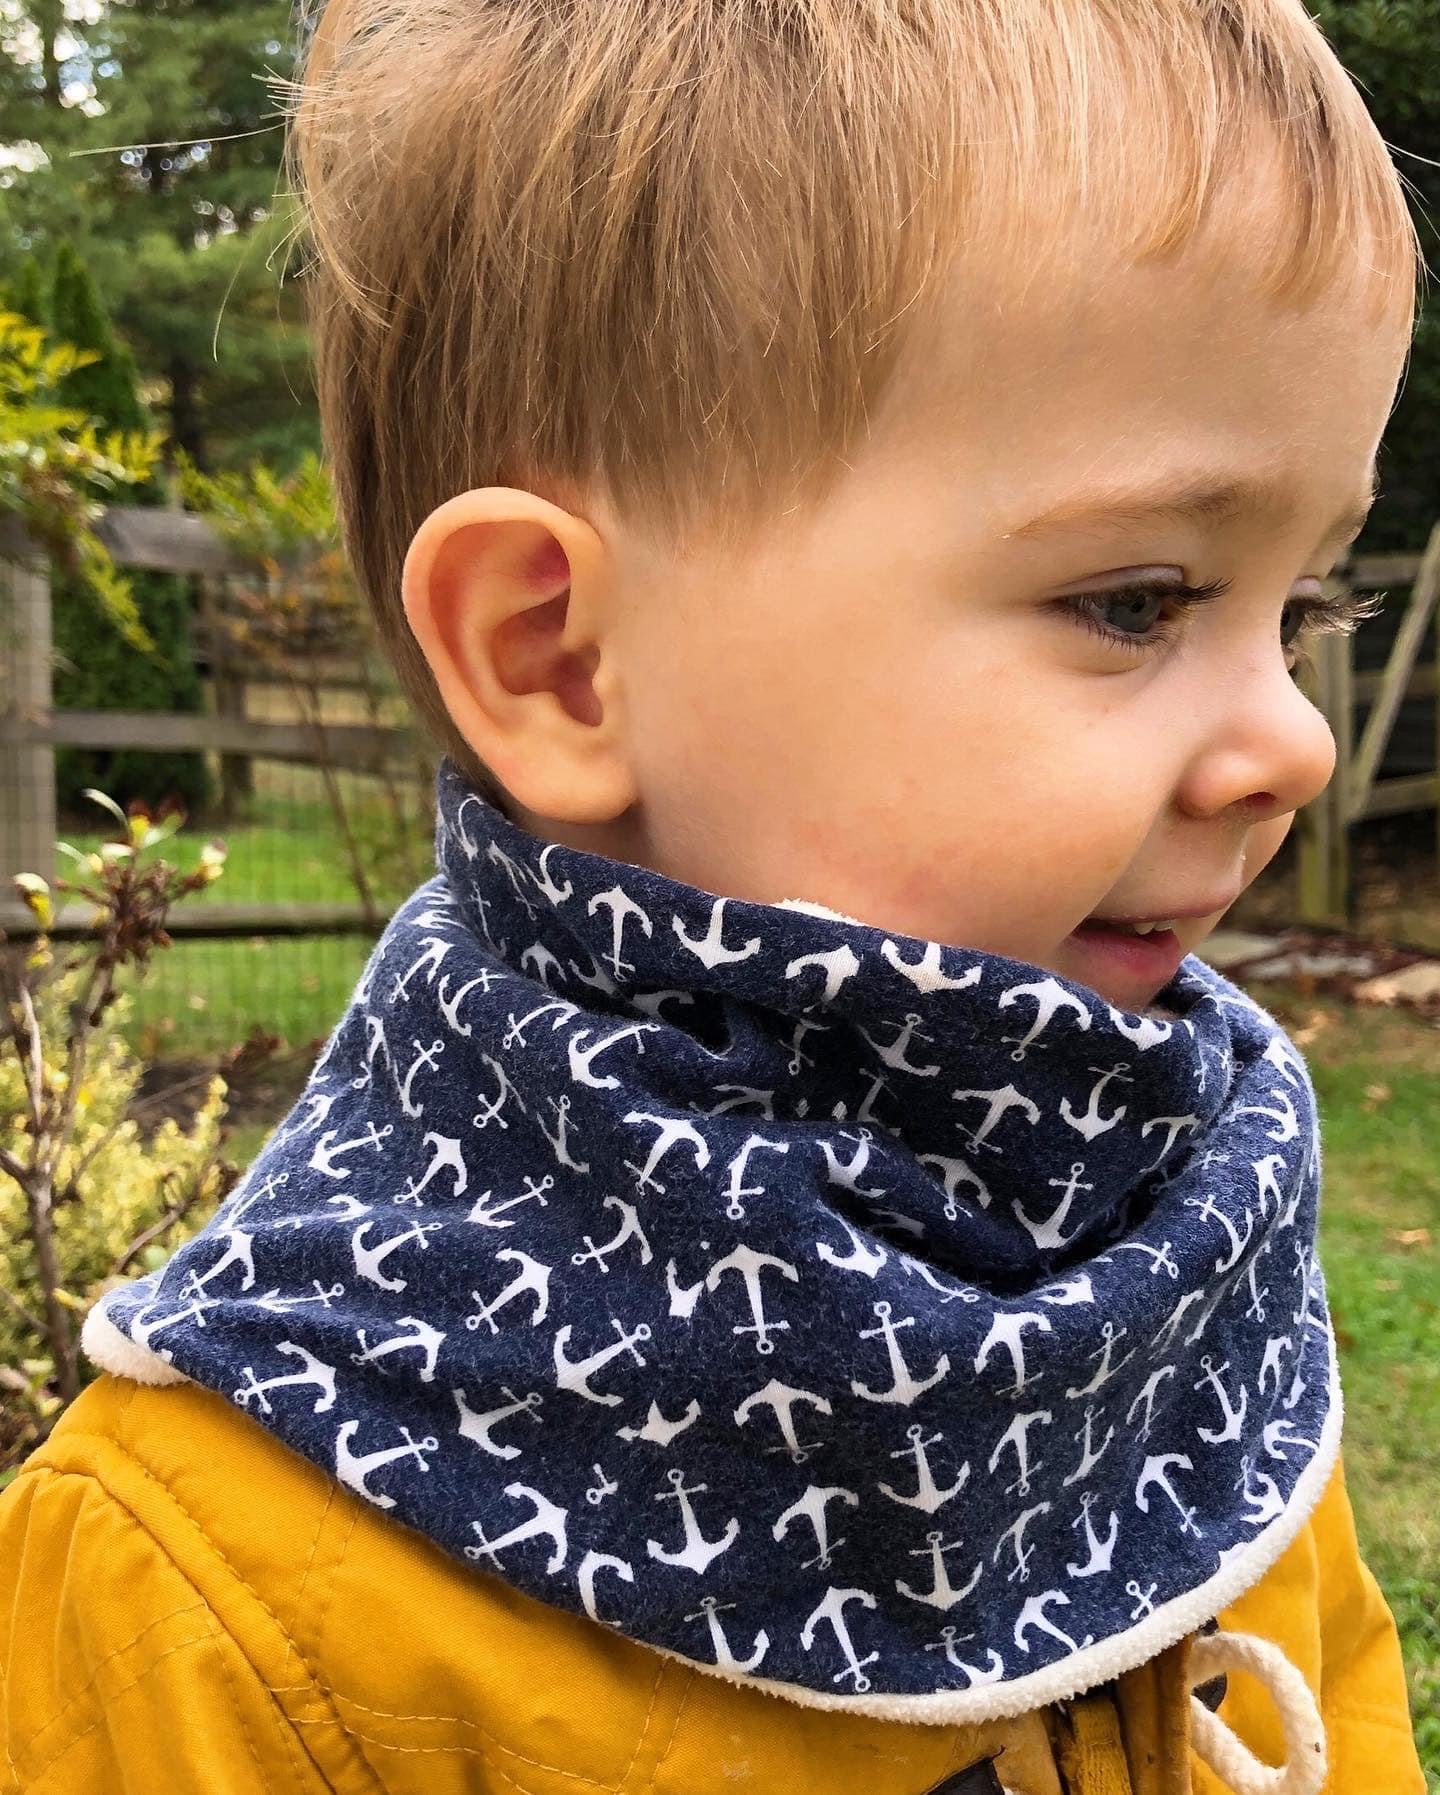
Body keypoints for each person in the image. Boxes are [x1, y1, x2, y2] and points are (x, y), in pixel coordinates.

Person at [0, 2, 1427, 1790]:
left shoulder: (1171, 1249)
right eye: (1136, 601)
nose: (1295, 739)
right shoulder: (219, 1592)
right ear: (557, 657)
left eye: (1306, 606)